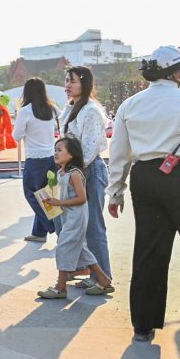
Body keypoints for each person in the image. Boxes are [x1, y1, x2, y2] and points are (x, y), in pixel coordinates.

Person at [107, 46, 180, 342]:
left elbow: (119, 152)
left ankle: (143, 326)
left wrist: (115, 192)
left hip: (146, 177)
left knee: (149, 251)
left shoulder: (130, 104)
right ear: (176, 72)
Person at [37, 137, 114, 300]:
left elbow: (82, 198)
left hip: (76, 217)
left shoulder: (75, 174)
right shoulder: (60, 173)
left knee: (63, 247)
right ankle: (104, 278)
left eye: (60, 150)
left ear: (71, 155)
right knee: (81, 249)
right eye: (55, 150)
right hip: (67, 216)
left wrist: (60, 202)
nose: (55, 153)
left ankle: (60, 286)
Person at [58, 66, 111, 286]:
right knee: (70, 224)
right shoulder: (70, 108)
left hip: (88, 170)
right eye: (67, 81)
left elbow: (89, 150)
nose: (68, 85)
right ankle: (79, 268)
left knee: (93, 226)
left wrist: (72, 173)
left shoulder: (91, 110)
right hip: (74, 171)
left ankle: (101, 277)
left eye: (73, 81)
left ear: (85, 83)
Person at [13, 78, 60, 243]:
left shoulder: (25, 111)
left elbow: (16, 136)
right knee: (45, 194)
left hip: (35, 159)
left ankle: (53, 224)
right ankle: (39, 232)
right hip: (51, 157)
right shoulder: (52, 109)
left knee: (32, 194)